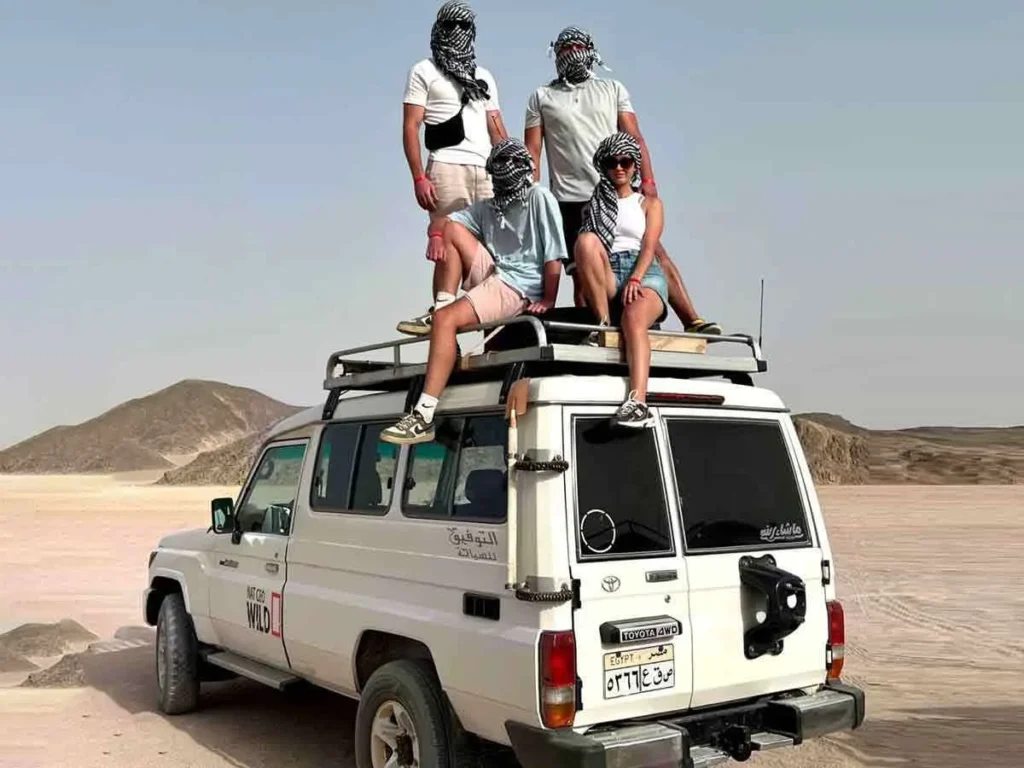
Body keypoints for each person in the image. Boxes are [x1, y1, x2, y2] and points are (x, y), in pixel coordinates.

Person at [524, 26, 721, 335]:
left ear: (590, 51)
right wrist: (531, 197)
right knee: (581, 275)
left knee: (654, 253)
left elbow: (635, 137)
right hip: (571, 199)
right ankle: (595, 332)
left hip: (615, 191)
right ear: (555, 54)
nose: (572, 53)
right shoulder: (541, 96)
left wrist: (649, 181)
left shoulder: (612, 89)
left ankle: (692, 320)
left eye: (578, 47)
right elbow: (532, 151)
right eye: (565, 49)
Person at [383, 139, 566, 445]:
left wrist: (548, 300)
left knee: (446, 321)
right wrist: (435, 235)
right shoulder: (491, 205)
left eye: (511, 166)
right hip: (498, 273)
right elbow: (449, 223)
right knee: (451, 230)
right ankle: (441, 307)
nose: (504, 173)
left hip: (521, 286)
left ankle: (423, 415)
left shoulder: (538, 197)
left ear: (524, 168)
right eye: (499, 167)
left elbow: (554, 254)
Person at [402, 1, 509, 283]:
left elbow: (496, 128)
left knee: (491, 250)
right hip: (445, 166)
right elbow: (411, 126)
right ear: (439, 27)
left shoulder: (483, 77)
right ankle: (443, 305)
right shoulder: (424, 70)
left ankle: (485, 309)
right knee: (446, 243)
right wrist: (418, 178)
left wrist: (513, 167)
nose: (457, 30)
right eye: (450, 24)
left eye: (464, 25)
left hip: (486, 172)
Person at [574, 133, 667, 429]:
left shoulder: (649, 204)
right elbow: (588, 256)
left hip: (644, 271)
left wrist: (636, 278)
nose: (619, 168)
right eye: (612, 162)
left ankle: (638, 402)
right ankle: (601, 323)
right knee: (585, 241)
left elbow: (650, 246)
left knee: (633, 318)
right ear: (603, 166)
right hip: (610, 271)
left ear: (635, 166)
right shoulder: (594, 205)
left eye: (625, 162)